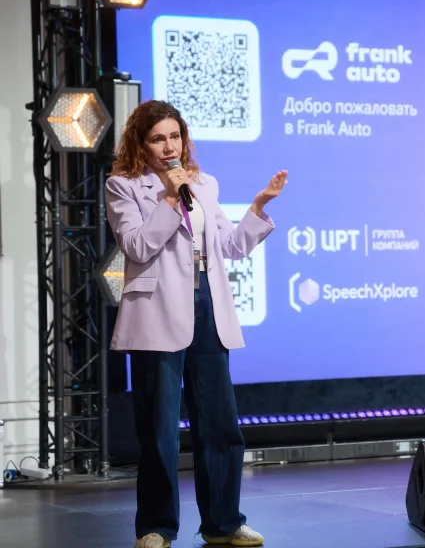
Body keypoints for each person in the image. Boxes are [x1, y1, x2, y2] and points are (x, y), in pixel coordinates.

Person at [105, 100, 287, 548]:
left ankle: (223, 523)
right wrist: (169, 198)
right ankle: (156, 527)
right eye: (158, 139)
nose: (169, 147)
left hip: (208, 304)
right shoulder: (123, 186)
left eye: (175, 136)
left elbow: (231, 246)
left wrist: (258, 207)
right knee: (160, 430)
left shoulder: (204, 184)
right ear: (141, 145)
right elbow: (137, 246)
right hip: (157, 311)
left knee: (220, 424)